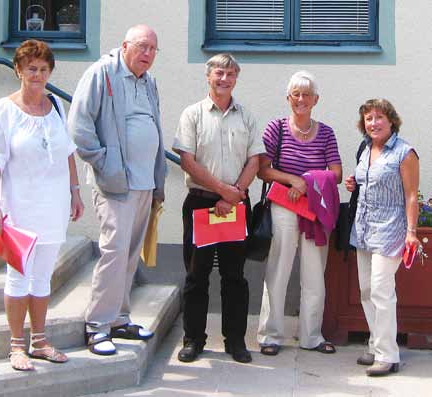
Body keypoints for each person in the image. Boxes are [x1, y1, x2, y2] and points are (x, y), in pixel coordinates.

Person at [68, 25, 166, 356]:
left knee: (128, 254)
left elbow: (154, 129)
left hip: (144, 184)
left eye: (153, 49)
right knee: (113, 253)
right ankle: (96, 325)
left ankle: (119, 319)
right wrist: (106, 163)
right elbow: (79, 126)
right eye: (142, 47)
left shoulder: (148, 81)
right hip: (115, 184)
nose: (148, 54)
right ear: (124, 46)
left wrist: (158, 177)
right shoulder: (101, 73)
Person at [0, 40, 84, 371]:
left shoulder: (56, 104)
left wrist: (75, 191)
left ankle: (39, 340)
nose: (38, 75)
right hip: (18, 206)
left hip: (52, 204)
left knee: (42, 276)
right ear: (18, 70)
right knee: (19, 276)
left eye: (44, 69)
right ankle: (17, 346)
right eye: (32, 68)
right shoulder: (4, 110)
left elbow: (67, 151)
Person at [172, 53, 264, 363]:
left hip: (236, 204)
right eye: (219, 74)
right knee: (197, 275)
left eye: (230, 74)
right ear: (208, 77)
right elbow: (187, 159)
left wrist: (235, 193)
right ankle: (193, 339)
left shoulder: (247, 116)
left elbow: (255, 159)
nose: (224, 79)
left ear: (236, 78)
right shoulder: (192, 114)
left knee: (234, 276)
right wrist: (222, 190)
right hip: (201, 202)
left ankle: (235, 341)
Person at [257, 71, 342, 356]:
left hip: (315, 210)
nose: (301, 99)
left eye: (306, 94)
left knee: (314, 273)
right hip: (284, 205)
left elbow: (337, 173)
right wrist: (292, 181)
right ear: (288, 98)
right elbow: (263, 169)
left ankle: (312, 336)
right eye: (296, 93)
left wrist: (306, 181)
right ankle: (271, 335)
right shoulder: (276, 128)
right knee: (278, 270)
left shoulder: (326, 132)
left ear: (315, 100)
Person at [345, 99, 420, 376]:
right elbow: (367, 182)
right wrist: (354, 182)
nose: (373, 123)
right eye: (368, 118)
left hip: (390, 229)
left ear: (391, 121)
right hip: (363, 227)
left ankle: (388, 355)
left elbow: (412, 195)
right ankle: (376, 344)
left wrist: (411, 233)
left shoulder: (404, 152)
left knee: (381, 291)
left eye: (379, 117)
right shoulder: (366, 149)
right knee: (366, 290)